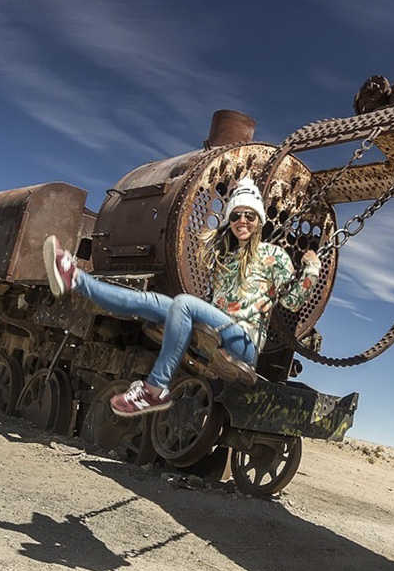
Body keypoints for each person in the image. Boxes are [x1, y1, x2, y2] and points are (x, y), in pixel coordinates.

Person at [43, 178, 321, 416]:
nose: (242, 221)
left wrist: (311, 268)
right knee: (150, 302)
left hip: (244, 342)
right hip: (218, 330)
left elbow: (291, 302)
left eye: (249, 215)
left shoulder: (274, 257)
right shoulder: (226, 258)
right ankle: (75, 279)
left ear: (259, 219)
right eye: (236, 216)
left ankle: (154, 390)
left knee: (184, 303)